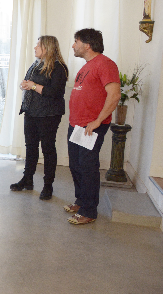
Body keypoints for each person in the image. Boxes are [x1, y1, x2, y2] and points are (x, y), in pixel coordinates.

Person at [63, 28, 121, 225]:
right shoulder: (87, 66)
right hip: (77, 125)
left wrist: (97, 121)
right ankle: (81, 201)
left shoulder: (105, 64)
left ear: (87, 45)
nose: (73, 45)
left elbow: (114, 95)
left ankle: (89, 211)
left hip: (91, 126)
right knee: (76, 165)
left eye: (76, 41)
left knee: (88, 168)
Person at [10, 36, 69, 200]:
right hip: (31, 111)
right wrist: (25, 84)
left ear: (47, 48)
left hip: (49, 114)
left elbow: (55, 92)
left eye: (38, 45)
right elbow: (31, 84)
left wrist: (33, 86)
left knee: (48, 149)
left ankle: (48, 186)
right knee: (30, 147)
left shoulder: (59, 68)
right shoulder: (36, 64)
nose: (35, 47)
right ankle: (27, 179)